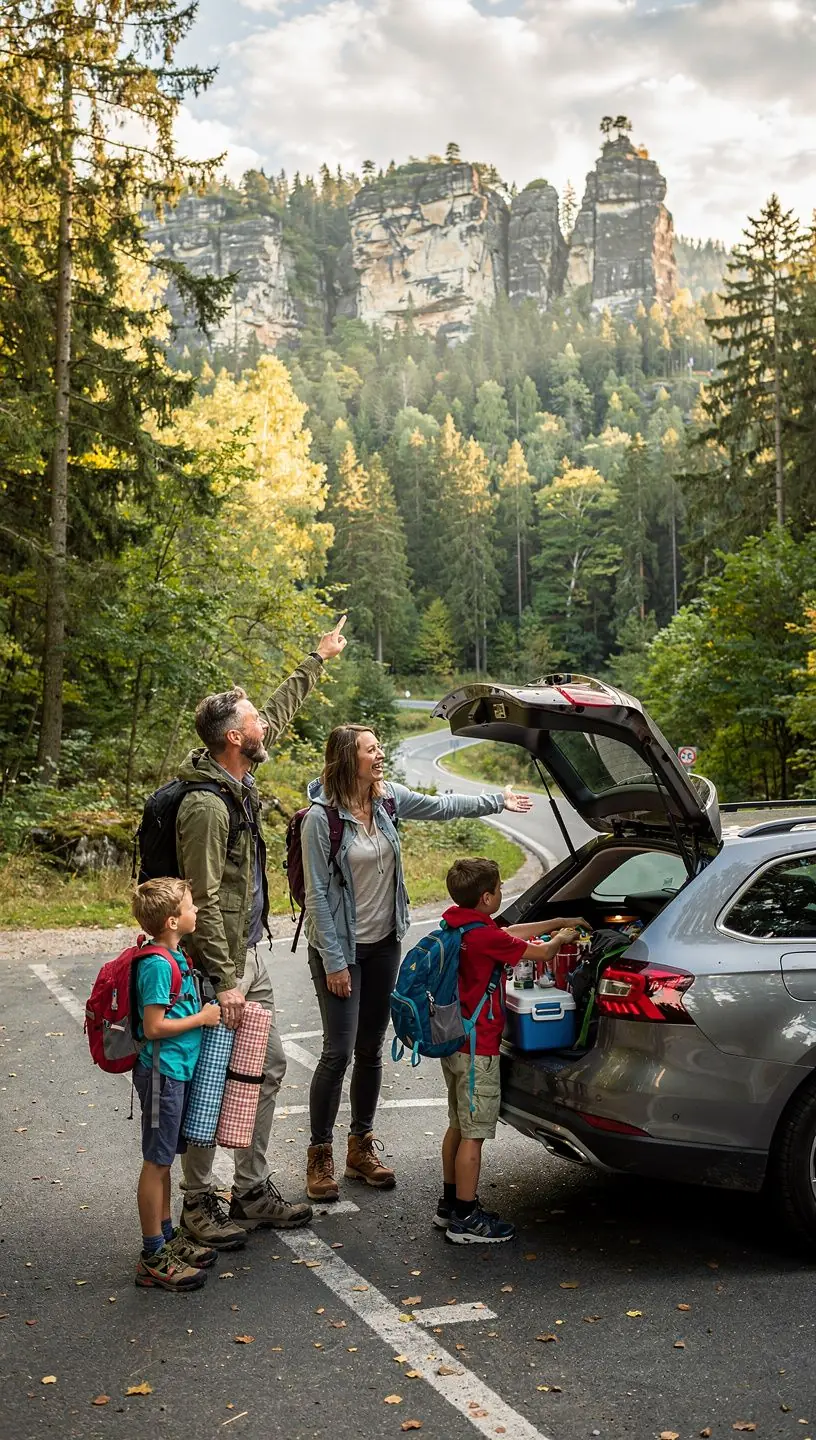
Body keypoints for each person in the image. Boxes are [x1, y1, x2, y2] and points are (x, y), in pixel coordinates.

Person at [300, 723, 534, 1203]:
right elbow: (318, 895)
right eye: (371, 749)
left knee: (370, 1049)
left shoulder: (386, 800)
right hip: (341, 949)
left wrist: (497, 801)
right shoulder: (321, 818)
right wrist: (335, 962)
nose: (379, 754)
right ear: (348, 758)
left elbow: (443, 805)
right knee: (337, 1050)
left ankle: (359, 1146)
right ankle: (319, 1153)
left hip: (384, 943)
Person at [176, 619, 348, 1252]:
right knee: (213, 1076)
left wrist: (317, 660)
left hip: (248, 955)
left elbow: (275, 709)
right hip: (217, 965)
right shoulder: (206, 805)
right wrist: (223, 979)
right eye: (253, 723)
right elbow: (200, 899)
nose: (265, 725)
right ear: (232, 738)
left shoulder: (238, 777)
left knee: (264, 1068)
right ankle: (198, 1201)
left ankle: (249, 1188)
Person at [436, 857, 587, 1245]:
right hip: (479, 1049)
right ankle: (466, 1220)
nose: (503, 894)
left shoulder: (459, 924)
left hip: (455, 1044)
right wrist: (560, 939)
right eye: (500, 889)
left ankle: (450, 1204)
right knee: (475, 1134)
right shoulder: (487, 938)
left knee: (457, 1124)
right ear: (487, 897)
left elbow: (512, 932)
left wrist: (553, 922)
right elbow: (539, 954)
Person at [131, 877, 222, 1290]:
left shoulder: (175, 953)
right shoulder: (156, 965)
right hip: (161, 1074)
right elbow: (153, 1027)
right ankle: (153, 1254)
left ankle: (167, 1237)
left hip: (177, 1072)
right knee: (157, 1161)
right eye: (190, 905)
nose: (196, 910)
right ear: (172, 920)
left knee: (166, 1158)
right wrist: (201, 1019)